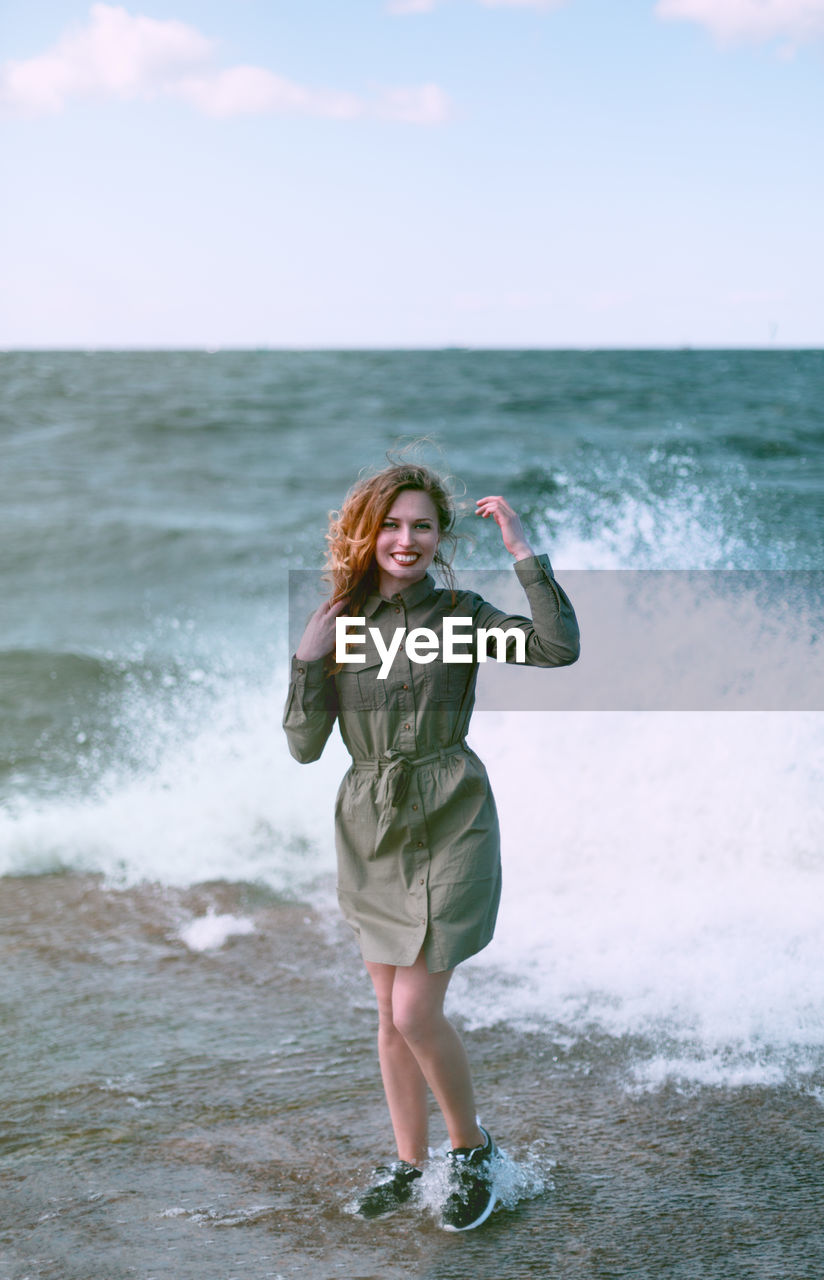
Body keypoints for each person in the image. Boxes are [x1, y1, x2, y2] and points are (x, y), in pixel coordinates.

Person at [282, 461, 579, 1231]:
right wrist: (307, 661)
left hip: (453, 815)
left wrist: (523, 552)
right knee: (387, 1011)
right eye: (390, 524)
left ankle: (472, 1149)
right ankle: (411, 1165)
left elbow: (556, 648)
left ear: (440, 536)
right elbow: (304, 747)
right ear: (364, 533)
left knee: (415, 1009)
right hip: (371, 823)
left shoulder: (459, 613)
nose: (404, 539)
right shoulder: (338, 622)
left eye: (420, 525)